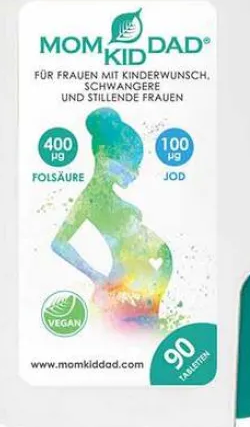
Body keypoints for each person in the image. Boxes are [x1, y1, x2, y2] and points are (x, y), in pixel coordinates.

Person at [52, 108, 173, 326]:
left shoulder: (106, 196)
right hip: (125, 295)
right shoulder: (90, 198)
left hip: (141, 294)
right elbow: (58, 243)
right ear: (104, 158)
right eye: (130, 165)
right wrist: (95, 276)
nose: (134, 174)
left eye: (137, 166)